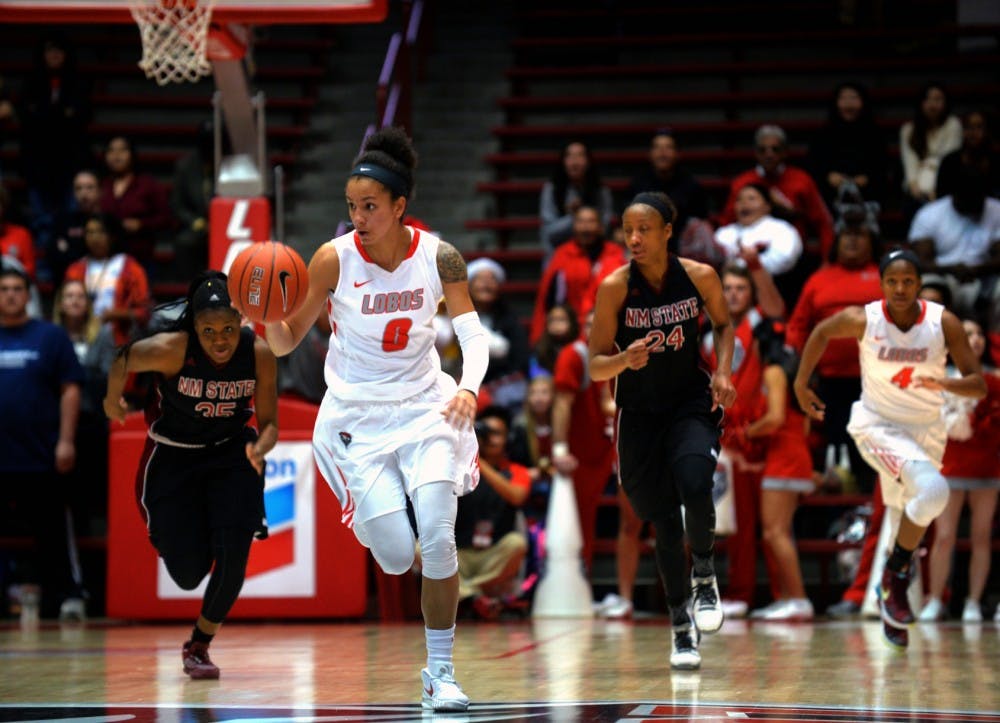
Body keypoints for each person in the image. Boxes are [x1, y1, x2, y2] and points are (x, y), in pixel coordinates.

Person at [261, 127, 487, 712]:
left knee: (438, 535)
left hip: (425, 407)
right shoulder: (332, 259)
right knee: (395, 556)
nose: (357, 218)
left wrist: (468, 387)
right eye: (351, 206)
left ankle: (441, 672)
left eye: (369, 206)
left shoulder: (440, 257)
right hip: (355, 418)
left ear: (399, 206)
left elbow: (472, 336)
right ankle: (380, 524)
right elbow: (286, 341)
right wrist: (261, 313)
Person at [793, 248, 987, 649]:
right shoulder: (864, 318)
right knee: (934, 492)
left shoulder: (942, 322)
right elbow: (821, 332)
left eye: (908, 281)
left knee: (907, 516)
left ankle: (890, 607)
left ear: (919, 285)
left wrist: (944, 384)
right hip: (877, 426)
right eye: (892, 282)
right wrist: (800, 382)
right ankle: (894, 574)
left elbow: (978, 385)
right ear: (881, 284)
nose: (900, 289)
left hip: (927, 430)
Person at [103, 271, 278, 679]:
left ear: (241, 322)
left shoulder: (259, 353)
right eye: (209, 330)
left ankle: (199, 645)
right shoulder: (171, 350)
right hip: (173, 459)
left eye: (228, 329)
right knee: (187, 575)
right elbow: (123, 357)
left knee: (234, 558)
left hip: (231, 453)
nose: (220, 340)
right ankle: (205, 532)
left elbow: (269, 423)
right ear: (194, 327)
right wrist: (113, 399)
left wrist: (261, 448)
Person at [589, 191, 736, 670]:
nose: (634, 239)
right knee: (665, 525)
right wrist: (622, 361)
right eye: (628, 230)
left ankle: (705, 576)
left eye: (644, 230)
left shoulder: (699, 276)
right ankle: (680, 626)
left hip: (689, 402)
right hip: (639, 415)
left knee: (695, 481)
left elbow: (724, 325)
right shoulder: (614, 287)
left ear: (668, 232)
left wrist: (723, 371)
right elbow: (594, 364)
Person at [0, 259, 85, 619]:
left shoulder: (51, 337)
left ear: (28, 296)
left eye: (17, 289)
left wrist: (66, 441)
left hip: (40, 454)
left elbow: (70, 390)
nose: (10, 295)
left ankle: (66, 597)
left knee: (52, 533)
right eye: (4, 290)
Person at [787, 214, 883, 495]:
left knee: (873, 440)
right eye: (847, 235)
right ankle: (838, 493)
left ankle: (872, 494)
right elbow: (798, 326)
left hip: (877, 380)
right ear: (836, 242)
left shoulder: (884, 277)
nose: (852, 240)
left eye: (859, 235)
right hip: (828, 380)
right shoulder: (818, 280)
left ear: (872, 242)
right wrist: (801, 365)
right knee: (836, 437)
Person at [918, 318, 1000, 623]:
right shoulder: (939, 377)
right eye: (967, 334)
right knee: (944, 536)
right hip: (949, 465)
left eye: (979, 333)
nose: (975, 339)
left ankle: (973, 602)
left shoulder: (995, 378)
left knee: (981, 536)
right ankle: (935, 599)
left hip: (986, 467)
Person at [551, 309, 616, 575]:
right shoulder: (574, 355)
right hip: (583, 453)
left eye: (598, 324)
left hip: (613, 447)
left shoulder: (620, 353)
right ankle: (577, 582)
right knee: (579, 522)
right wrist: (560, 449)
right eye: (588, 324)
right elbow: (561, 404)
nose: (593, 329)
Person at [719, 124, 835, 269]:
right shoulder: (742, 183)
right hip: (747, 259)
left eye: (775, 149)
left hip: (795, 259)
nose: (769, 155)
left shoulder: (802, 181)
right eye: (763, 150)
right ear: (756, 153)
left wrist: (827, 262)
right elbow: (727, 223)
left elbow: (823, 223)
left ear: (785, 152)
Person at [455, 406, 531, 619]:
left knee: (517, 543)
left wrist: (479, 462)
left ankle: (467, 593)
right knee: (419, 547)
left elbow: (517, 496)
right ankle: (475, 597)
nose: (490, 439)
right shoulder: (459, 466)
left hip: (492, 554)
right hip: (459, 554)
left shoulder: (517, 471)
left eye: (496, 433)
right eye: (485, 432)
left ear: (508, 438)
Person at [530, 204, 626, 344]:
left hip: (609, 331)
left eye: (591, 221)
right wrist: (539, 338)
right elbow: (546, 300)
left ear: (601, 226)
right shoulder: (562, 255)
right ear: (574, 226)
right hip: (568, 333)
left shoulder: (616, 254)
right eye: (581, 222)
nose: (586, 227)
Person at [713, 182, 803, 307]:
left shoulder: (782, 229)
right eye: (739, 200)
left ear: (767, 206)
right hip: (727, 295)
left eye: (751, 198)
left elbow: (784, 259)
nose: (744, 203)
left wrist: (744, 264)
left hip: (771, 292)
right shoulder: (724, 233)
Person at [807, 82, 888, 209]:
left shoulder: (875, 134)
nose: (848, 103)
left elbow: (882, 165)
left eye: (854, 98)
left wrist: (867, 178)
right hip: (830, 192)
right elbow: (814, 164)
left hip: (867, 193)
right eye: (843, 98)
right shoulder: (823, 134)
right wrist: (829, 176)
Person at [100, 135, 173, 275]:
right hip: (105, 256)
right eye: (111, 151)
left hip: (140, 254)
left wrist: (141, 224)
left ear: (132, 154)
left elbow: (166, 218)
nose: (116, 155)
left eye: (122, 150)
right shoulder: (101, 185)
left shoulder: (147, 185)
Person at [626, 128, 709, 252]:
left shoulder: (691, 186)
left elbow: (700, 223)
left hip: (684, 249)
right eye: (657, 148)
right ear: (650, 154)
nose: (662, 153)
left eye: (668, 148)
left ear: (677, 153)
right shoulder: (638, 184)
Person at [539, 140, 614, 259]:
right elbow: (549, 232)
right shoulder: (551, 189)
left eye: (580, 155)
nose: (575, 161)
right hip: (558, 254)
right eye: (570, 156)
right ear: (563, 162)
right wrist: (573, 216)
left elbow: (605, 228)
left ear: (588, 162)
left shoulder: (601, 191)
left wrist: (585, 218)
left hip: (594, 255)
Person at [898, 83, 962, 222]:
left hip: (945, 186)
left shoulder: (953, 125)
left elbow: (948, 160)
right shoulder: (908, 130)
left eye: (937, 99)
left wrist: (936, 190)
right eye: (928, 99)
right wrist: (915, 188)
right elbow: (910, 163)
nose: (932, 104)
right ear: (921, 103)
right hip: (916, 189)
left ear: (945, 102)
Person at [49, 170, 102, 287]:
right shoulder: (63, 221)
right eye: (79, 188)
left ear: (100, 191)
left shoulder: (108, 222)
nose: (84, 193)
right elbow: (55, 257)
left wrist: (69, 251)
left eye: (89, 188)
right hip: (69, 284)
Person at [935, 109, 1000, 200]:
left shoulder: (996, 161)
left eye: (979, 127)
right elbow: (941, 197)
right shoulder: (950, 161)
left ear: (987, 131)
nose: (973, 132)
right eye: (969, 127)